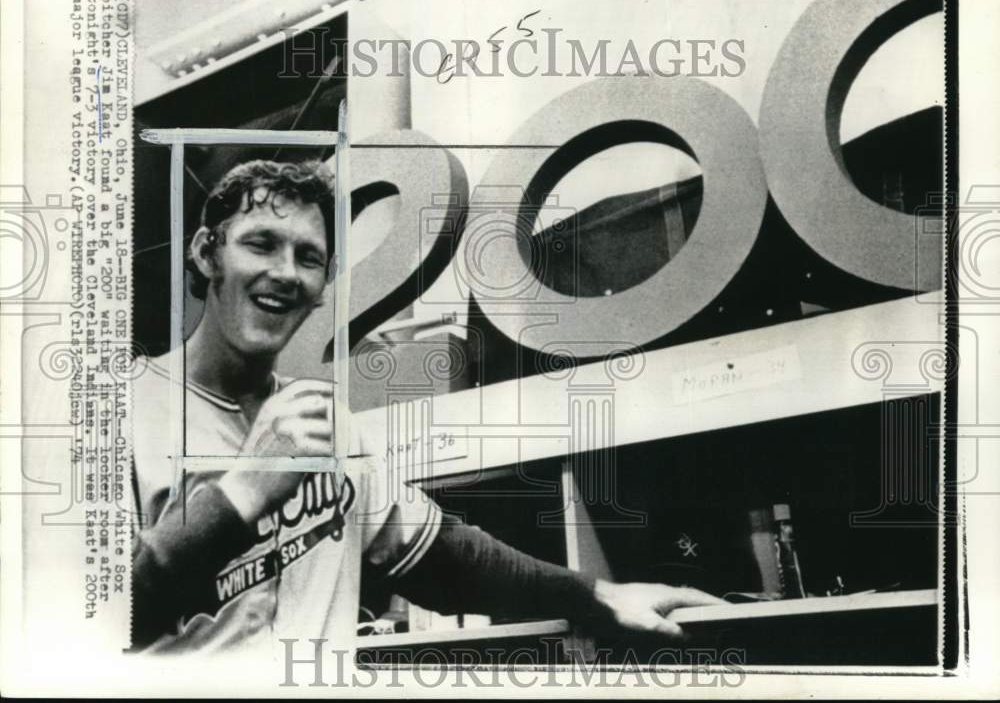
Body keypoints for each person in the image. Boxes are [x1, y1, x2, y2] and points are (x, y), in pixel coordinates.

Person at [131, 158, 722, 655]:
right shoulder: (118, 413)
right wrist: (243, 493)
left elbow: (445, 557)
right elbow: (79, 616)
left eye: (309, 258)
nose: (285, 273)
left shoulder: (324, 423)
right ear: (207, 253)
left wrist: (598, 596)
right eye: (261, 244)